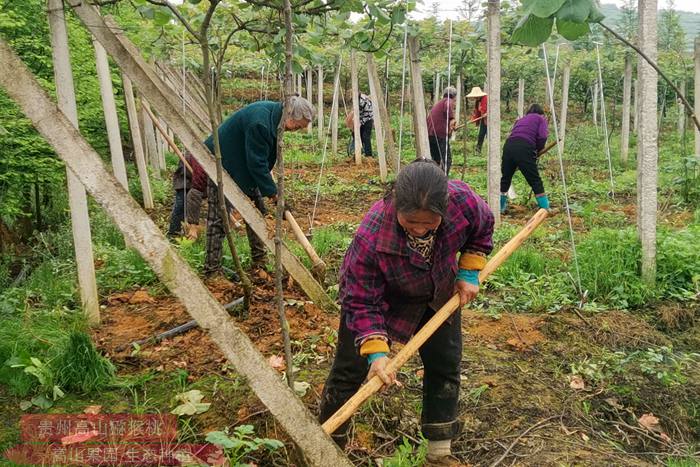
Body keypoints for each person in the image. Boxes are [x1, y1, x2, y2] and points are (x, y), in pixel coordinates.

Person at [319, 159, 494, 466]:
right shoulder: (372, 235)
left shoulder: (463, 202)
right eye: (411, 221)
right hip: (382, 299)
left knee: (445, 364)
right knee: (349, 370)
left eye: (430, 223)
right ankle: (326, 449)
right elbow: (361, 299)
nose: (420, 229)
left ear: (445, 207)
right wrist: (376, 353)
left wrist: (468, 271)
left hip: (436, 293)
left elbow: (482, 229)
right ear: (396, 203)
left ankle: (439, 453)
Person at [203, 96, 314, 276]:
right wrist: (274, 194)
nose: (297, 130)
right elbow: (256, 163)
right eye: (298, 125)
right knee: (219, 218)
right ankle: (212, 271)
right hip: (221, 163)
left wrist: (271, 190)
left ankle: (259, 260)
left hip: (242, 165)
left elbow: (258, 159)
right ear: (289, 114)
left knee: (257, 214)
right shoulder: (260, 123)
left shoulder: (275, 117)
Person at [500, 104, 550, 213]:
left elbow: (512, 134)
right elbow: (542, 137)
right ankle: (545, 208)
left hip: (508, 146)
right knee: (535, 179)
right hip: (524, 146)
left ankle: (500, 207)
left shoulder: (521, 120)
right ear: (541, 113)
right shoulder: (540, 118)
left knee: (505, 178)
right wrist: (538, 149)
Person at [167, 154, 208, 238]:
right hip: (184, 178)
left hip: (198, 178)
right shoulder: (192, 158)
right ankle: (173, 234)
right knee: (181, 206)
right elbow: (195, 193)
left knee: (192, 204)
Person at [427, 86, 458, 175]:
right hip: (440, 135)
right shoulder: (448, 101)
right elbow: (449, 114)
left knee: (435, 159)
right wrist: (452, 120)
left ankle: (434, 178)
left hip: (430, 134)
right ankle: (443, 180)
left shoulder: (439, 104)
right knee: (446, 160)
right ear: (454, 96)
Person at [346, 92, 374, 157]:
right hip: (362, 120)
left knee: (366, 137)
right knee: (356, 135)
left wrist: (359, 123)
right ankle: (358, 152)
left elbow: (367, 114)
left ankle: (368, 155)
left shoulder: (362, 102)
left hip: (368, 120)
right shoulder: (359, 100)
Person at [467, 87, 487, 153]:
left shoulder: (485, 98)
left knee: (489, 136)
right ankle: (478, 151)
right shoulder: (478, 101)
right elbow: (477, 112)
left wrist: (487, 113)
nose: (475, 97)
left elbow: (490, 108)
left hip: (490, 121)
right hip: (483, 120)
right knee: (481, 135)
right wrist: (474, 120)